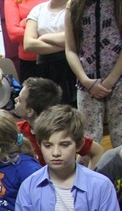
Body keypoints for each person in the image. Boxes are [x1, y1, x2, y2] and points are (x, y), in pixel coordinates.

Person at [65, 0, 122, 147]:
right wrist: (85, 81)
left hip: (118, 81)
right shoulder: (73, 6)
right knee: (88, 140)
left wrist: (109, 81)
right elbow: (70, 49)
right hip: (87, 84)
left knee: (120, 135)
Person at [12, 77, 104, 167]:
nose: (15, 99)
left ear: (30, 111)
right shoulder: (16, 129)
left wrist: (90, 177)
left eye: (20, 100)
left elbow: (97, 151)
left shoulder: (64, 132)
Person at [23, 0, 76, 107]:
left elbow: (77, 38)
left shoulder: (75, 8)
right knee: (47, 107)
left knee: (69, 107)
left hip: (70, 67)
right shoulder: (38, 10)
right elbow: (29, 44)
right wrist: (66, 44)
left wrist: (44, 37)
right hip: (45, 69)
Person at [3, 0, 45, 81]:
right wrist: (46, 28)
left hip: (57, 56)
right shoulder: (12, 1)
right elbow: (14, 34)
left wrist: (24, 23)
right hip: (30, 62)